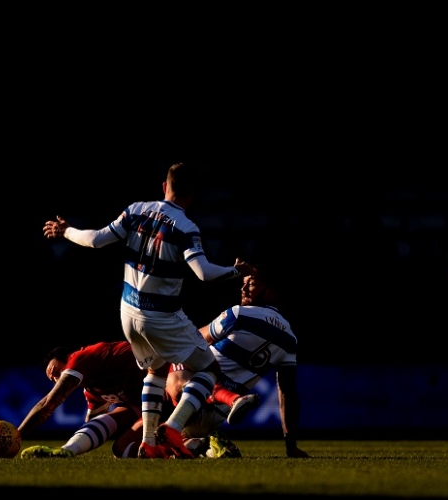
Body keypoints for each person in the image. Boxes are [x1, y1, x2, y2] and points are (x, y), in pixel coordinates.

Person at [43, 161, 255, 459]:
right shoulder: (186, 227)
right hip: (162, 315)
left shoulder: (137, 210)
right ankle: (174, 428)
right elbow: (204, 273)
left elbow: (95, 240)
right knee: (208, 369)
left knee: (155, 371)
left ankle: (149, 442)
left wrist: (66, 231)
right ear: (192, 195)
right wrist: (235, 271)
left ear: (164, 186)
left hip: (128, 313)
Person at [166, 264, 309, 458]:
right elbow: (287, 394)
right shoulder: (290, 340)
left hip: (191, 396)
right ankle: (203, 444)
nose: (243, 288)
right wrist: (291, 446)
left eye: (251, 283)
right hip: (210, 420)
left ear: (270, 292)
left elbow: (195, 341)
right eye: (243, 283)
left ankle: (226, 402)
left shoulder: (239, 314)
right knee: (151, 441)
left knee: (177, 355)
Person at [17, 341, 153, 459]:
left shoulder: (80, 357)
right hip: (154, 406)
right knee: (121, 449)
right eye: (52, 379)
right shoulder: (93, 391)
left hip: (162, 379)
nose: (55, 378)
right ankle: (67, 450)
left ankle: (165, 439)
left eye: (55, 371)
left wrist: (17, 435)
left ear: (68, 358)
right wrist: (76, 444)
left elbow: (48, 404)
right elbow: (94, 425)